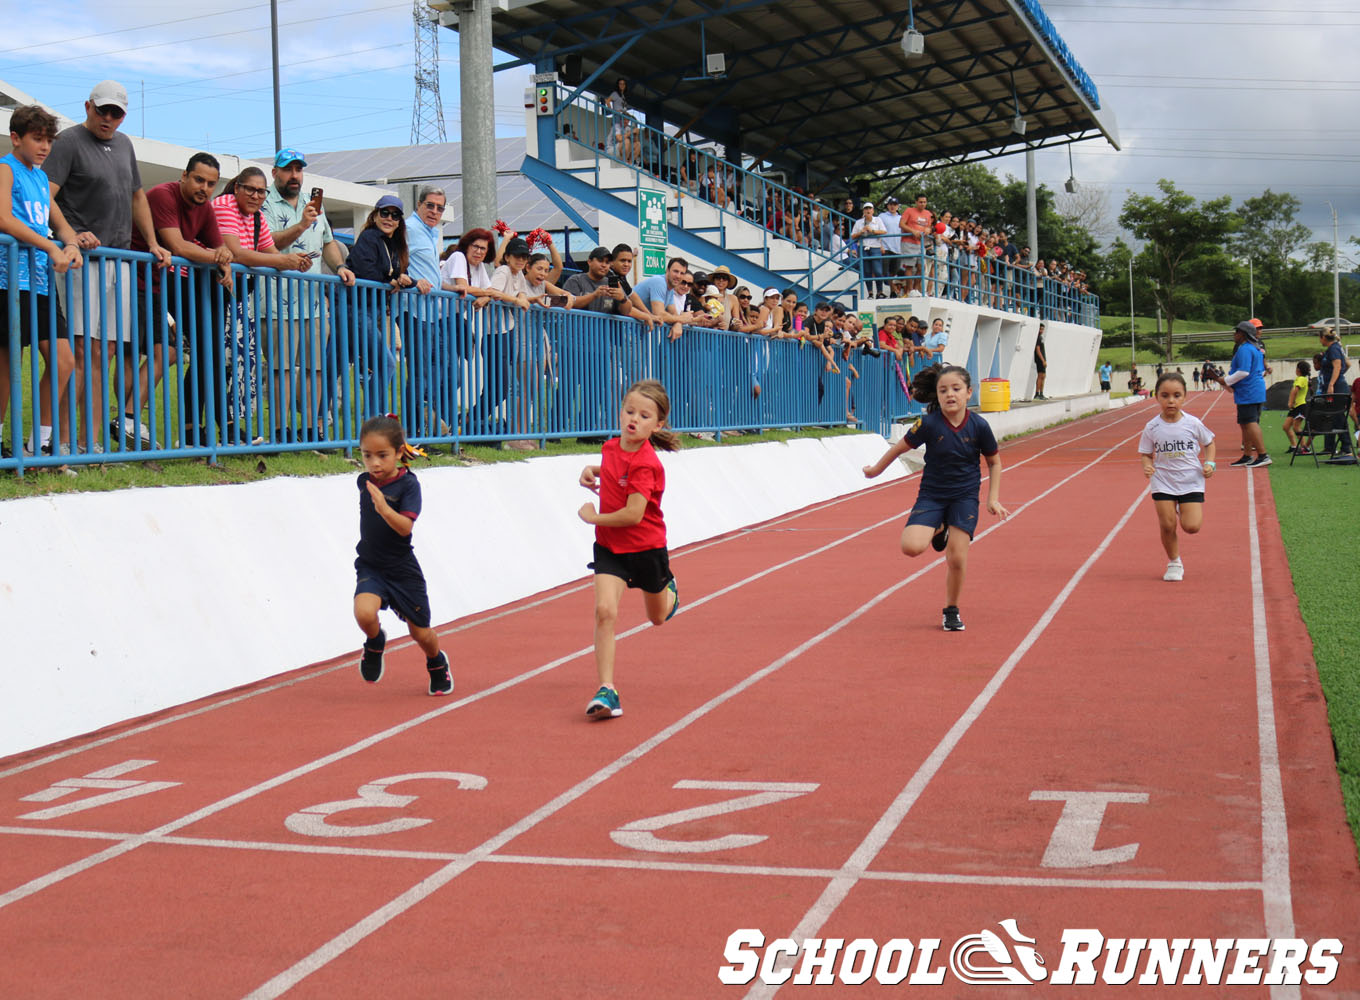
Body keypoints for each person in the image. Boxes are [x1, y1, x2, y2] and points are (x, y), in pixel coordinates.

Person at [45, 80, 172, 454]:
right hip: (81, 261)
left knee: (107, 351)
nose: (108, 118)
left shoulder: (125, 144)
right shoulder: (68, 141)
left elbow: (137, 196)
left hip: (120, 261)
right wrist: (70, 235)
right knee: (81, 350)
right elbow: (47, 195)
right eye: (103, 110)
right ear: (88, 106)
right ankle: (64, 441)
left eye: (116, 112)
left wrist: (151, 243)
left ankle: (93, 443)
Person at [862, 364, 1008, 632]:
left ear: (968, 393)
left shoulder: (979, 426)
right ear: (937, 396)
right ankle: (939, 529)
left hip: (964, 497)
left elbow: (994, 463)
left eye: (956, 389)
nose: (950, 394)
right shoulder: (929, 424)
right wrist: (875, 470)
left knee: (957, 558)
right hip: (932, 494)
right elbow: (898, 448)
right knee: (911, 547)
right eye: (943, 390)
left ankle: (951, 610)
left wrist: (993, 499)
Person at [576, 380, 681, 718]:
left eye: (644, 415)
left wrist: (595, 517)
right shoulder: (610, 448)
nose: (633, 419)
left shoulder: (648, 463)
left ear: (658, 425)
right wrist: (589, 471)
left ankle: (670, 593)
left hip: (647, 548)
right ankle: (607, 690)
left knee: (658, 618)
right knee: (604, 611)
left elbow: (635, 514)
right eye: (629, 411)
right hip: (610, 548)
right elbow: (610, 469)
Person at [133, 152, 234, 447]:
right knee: (128, 355)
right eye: (199, 180)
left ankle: (195, 433)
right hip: (137, 280)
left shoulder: (204, 208)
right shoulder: (163, 194)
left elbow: (219, 246)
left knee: (206, 351)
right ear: (184, 176)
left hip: (164, 281)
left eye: (211, 184)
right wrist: (219, 258)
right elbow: (179, 246)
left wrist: (223, 260)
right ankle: (128, 421)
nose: (204, 188)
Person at [0, 104, 82, 458]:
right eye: (38, 139)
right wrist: (51, 246)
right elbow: (3, 219)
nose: (44, 147)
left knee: (64, 359)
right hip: (8, 280)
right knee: (5, 365)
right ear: (16, 138)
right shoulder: (6, 168)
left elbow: (59, 221)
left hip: (41, 282)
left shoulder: (38, 176)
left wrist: (72, 242)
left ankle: (41, 445)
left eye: (49, 140)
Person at [352, 414, 452, 696]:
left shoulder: (409, 486)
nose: (374, 463)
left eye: (382, 455)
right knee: (363, 613)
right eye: (366, 455)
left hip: (402, 570)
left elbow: (405, 528)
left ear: (398, 452)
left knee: (420, 634)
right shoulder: (364, 482)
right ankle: (374, 643)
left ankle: (436, 661)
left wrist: (384, 508)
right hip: (371, 565)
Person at [261, 149, 356, 438]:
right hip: (276, 302)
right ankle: (280, 430)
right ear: (275, 172)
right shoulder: (264, 202)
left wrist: (339, 265)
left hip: (313, 303)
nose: (294, 175)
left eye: (299, 170)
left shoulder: (312, 203)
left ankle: (313, 428)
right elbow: (268, 242)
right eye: (288, 169)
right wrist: (301, 224)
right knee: (283, 369)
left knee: (316, 368)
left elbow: (327, 240)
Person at [1137, 372, 1216, 582]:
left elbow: (1209, 443)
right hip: (1163, 480)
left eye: (1176, 395)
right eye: (1165, 395)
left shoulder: (1193, 423)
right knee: (1167, 524)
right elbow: (1145, 453)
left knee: (1191, 527)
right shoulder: (1152, 427)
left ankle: (1184, 507)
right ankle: (1174, 562)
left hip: (1191, 480)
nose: (1171, 401)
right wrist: (1147, 466)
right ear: (1157, 397)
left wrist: (1210, 463)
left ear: (1184, 397)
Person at [346, 194, 412, 414]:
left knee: (334, 366)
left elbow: (400, 273)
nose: (389, 218)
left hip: (375, 311)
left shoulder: (395, 245)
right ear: (375, 215)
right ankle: (373, 419)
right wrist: (390, 279)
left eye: (395, 215)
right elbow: (364, 270)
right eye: (385, 213)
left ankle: (374, 419)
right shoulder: (369, 238)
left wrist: (406, 280)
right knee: (387, 364)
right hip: (356, 309)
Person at [1207, 321, 1269, 467]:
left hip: (1249, 391)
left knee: (1250, 422)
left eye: (1237, 332)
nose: (1234, 335)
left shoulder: (1245, 349)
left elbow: (1243, 372)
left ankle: (1263, 455)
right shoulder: (1254, 348)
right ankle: (1247, 455)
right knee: (1244, 423)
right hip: (1250, 390)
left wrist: (1224, 380)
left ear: (1243, 334)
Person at [1283, 361, 1312, 455]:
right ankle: (1294, 446)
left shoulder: (1301, 379)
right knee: (1286, 426)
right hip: (1296, 407)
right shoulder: (1300, 379)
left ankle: (1304, 448)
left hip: (1300, 406)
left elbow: (1295, 391)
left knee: (1296, 427)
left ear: (1298, 370)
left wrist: (1290, 402)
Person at [1033, 322, 1048, 399]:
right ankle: (1037, 394)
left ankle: (1041, 393)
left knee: (1043, 376)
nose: (1041, 331)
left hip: (1043, 359)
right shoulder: (1038, 337)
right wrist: (1043, 360)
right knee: (1040, 376)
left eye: (1043, 329)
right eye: (1040, 329)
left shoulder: (1041, 337)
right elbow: (1038, 350)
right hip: (1039, 360)